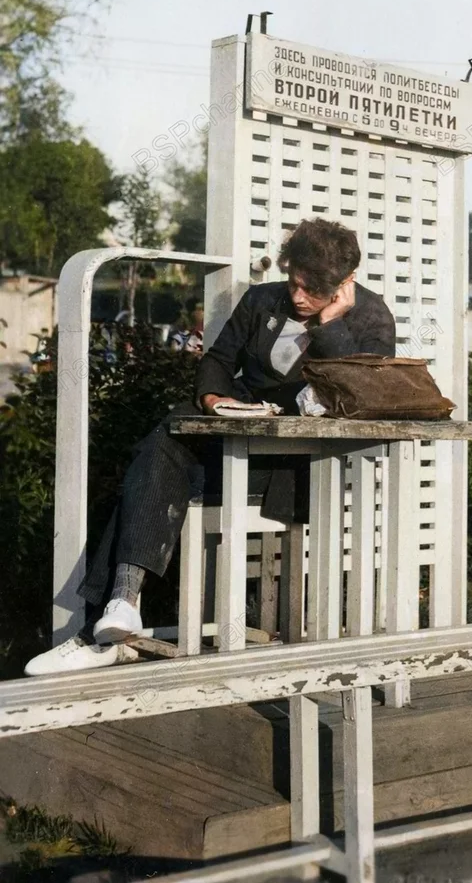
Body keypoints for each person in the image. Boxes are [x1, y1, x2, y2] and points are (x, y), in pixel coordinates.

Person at [25, 218, 396, 675]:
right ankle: (122, 603)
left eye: (313, 291)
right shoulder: (264, 300)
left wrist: (331, 323)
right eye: (294, 282)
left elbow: (361, 394)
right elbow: (219, 360)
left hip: (299, 469)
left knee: (151, 461)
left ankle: (104, 626)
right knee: (166, 440)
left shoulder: (371, 318)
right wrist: (213, 398)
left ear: (345, 285)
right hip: (235, 446)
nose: (298, 297)